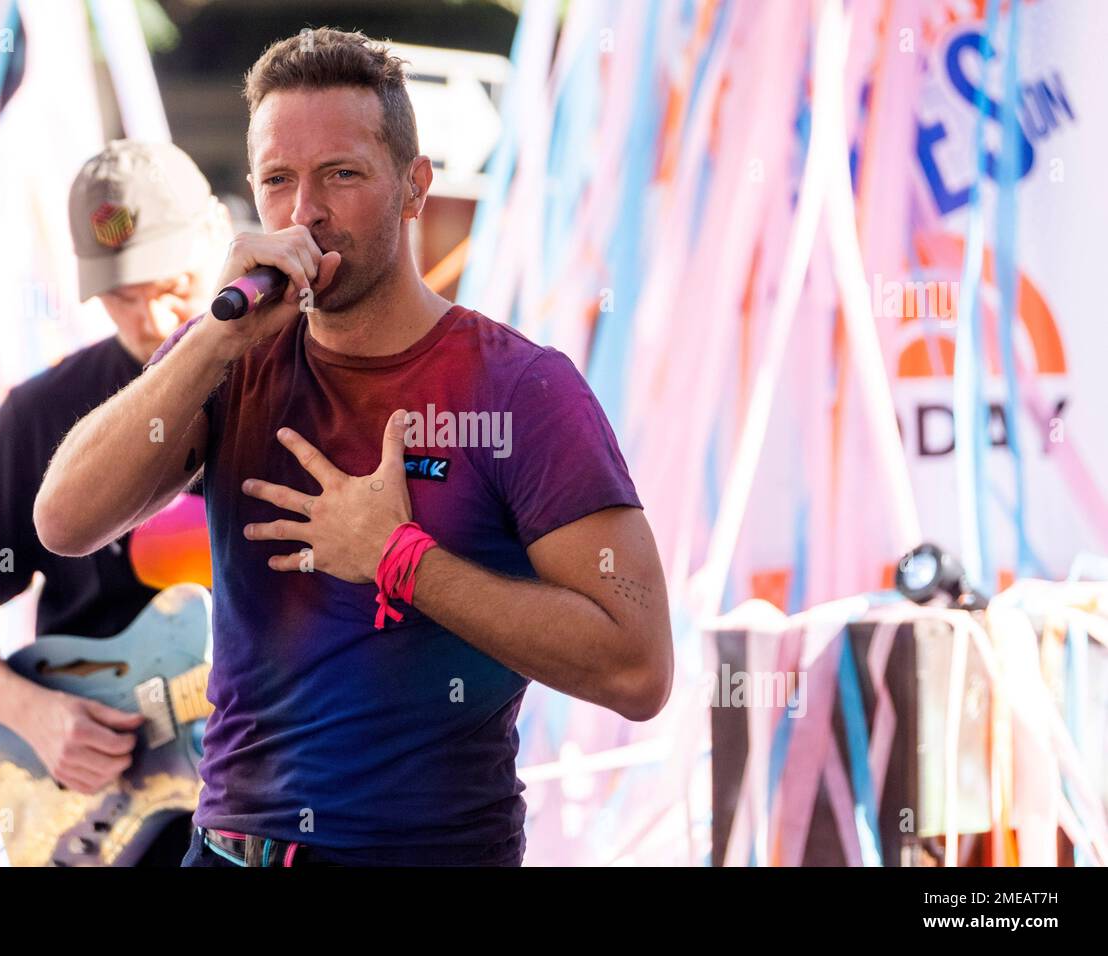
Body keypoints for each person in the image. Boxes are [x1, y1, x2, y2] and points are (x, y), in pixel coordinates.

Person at [34, 28, 673, 868]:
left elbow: (636, 669)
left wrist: (398, 559)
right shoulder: (229, 355)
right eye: (277, 180)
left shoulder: (521, 388)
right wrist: (207, 345)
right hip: (231, 846)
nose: (306, 213)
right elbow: (62, 522)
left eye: (341, 173)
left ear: (414, 189)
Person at [0, 140, 229, 866]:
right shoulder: (45, 413)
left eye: (174, 283)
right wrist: (35, 715)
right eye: (120, 296)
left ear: (219, 238)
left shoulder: (311, 385)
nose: (151, 318)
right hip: (111, 823)